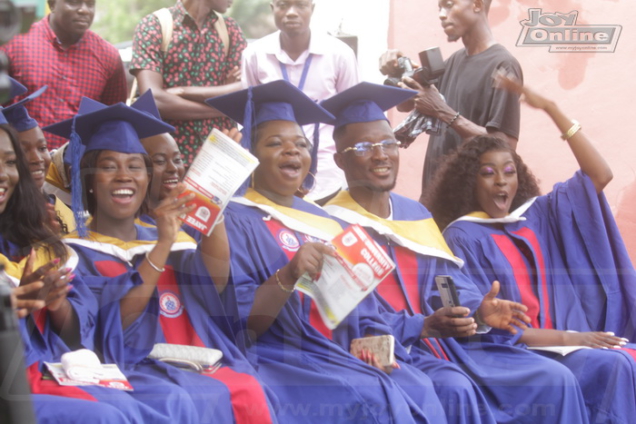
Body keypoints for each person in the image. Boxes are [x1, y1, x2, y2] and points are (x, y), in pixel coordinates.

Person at [322, 82, 591, 424]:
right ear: (340, 160)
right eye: (364, 147)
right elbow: (343, 323)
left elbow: (445, 281)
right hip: (381, 349)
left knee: (552, 379)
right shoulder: (330, 226)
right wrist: (420, 326)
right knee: (454, 388)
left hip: (447, 344)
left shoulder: (414, 214)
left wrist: (476, 310)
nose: (381, 155)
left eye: (388, 143)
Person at [206, 80, 441, 423]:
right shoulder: (235, 219)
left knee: (419, 385)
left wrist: (374, 344)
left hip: (341, 351)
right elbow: (240, 325)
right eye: (275, 143)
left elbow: (364, 313)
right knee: (371, 396)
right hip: (280, 357)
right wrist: (288, 275)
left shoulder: (326, 222)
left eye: (301, 144)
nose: (292, 151)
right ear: (251, 156)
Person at [46, 92, 277, 423]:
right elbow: (109, 329)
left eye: (135, 166)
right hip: (131, 370)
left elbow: (214, 285)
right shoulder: (73, 253)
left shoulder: (172, 237)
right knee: (179, 400)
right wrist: (162, 245)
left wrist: (214, 193)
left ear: (146, 178)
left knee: (248, 388)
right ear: (89, 181)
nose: (124, 175)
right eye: (109, 167)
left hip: (199, 361)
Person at [427, 74, 636, 423]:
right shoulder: (462, 237)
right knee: (610, 365)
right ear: (469, 182)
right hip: (517, 354)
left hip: (567, 345)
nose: (501, 181)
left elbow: (599, 176)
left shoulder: (537, 216)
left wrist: (552, 109)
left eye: (509, 172)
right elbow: (482, 325)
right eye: (488, 173)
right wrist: (573, 338)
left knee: (625, 359)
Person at [0, 119, 197, 424]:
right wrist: (8, 307)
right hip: (15, 381)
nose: (3, 173)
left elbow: (78, 329)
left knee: (172, 399)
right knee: (106, 416)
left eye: (10, 162)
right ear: (89, 180)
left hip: (50, 368)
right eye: (109, 166)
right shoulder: (79, 247)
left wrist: (55, 303)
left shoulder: (32, 245)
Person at [379, 0, 521, 199]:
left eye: (449, 4)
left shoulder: (503, 65)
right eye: (439, 8)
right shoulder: (453, 62)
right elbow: (406, 105)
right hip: (436, 198)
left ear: (477, 4)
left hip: (471, 205)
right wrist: (399, 71)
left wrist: (442, 111)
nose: (441, 14)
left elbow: (505, 146)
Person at [242, 0, 358, 203]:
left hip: (326, 168)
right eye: (283, 5)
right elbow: (249, 115)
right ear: (272, 9)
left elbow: (351, 115)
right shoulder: (255, 55)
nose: (291, 12)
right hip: (273, 170)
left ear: (312, 9)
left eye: (300, 5)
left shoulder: (339, 54)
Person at [131, 0, 247, 167]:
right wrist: (222, 107)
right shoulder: (154, 26)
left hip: (218, 161)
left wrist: (182, 91)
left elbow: (244, 90)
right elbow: (154, 100)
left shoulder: (230, 30)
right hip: (166, 160)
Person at [0, 0, 127, 150]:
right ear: (52, 4)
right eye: (74, 2)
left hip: (78, 161)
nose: (84, 10)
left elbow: (112, 122)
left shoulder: (108, 57)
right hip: (22, 157)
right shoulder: (14, 43)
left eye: (90, 4)